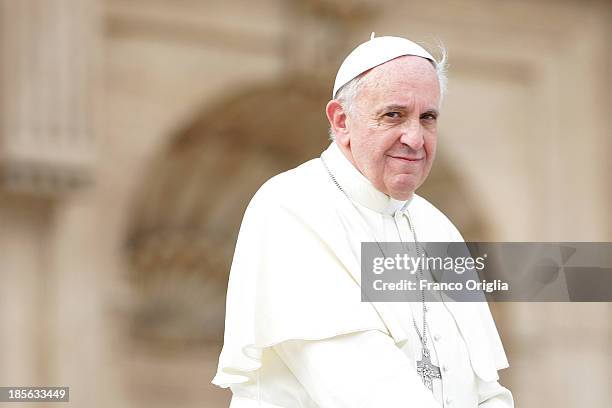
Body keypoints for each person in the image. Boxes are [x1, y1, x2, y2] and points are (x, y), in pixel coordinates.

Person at [212, 34, 514, 408]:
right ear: (341, 121)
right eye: (394, 115)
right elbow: (363, 389)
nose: (415, 138)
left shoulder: (439, 228)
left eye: (428, 117)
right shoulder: (290, 207)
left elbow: (487, 390)